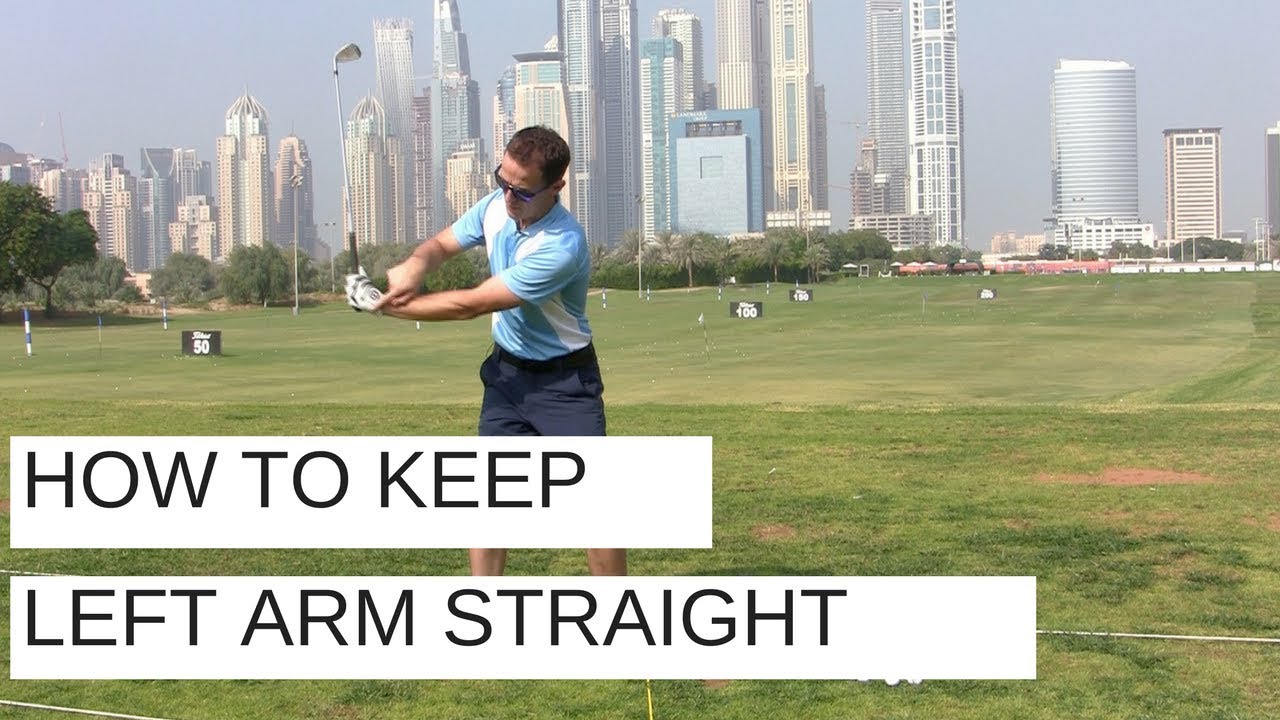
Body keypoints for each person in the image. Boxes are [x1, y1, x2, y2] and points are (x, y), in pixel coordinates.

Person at [345, 125, 624, 578]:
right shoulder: (497, 205)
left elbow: (471, 305)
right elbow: (440, 245)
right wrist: (416, 265)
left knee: (594, 514)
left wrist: (381, 305)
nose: (509, 196)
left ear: (556, 187)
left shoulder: (561, 246)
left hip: (565, 386)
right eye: (503, 180)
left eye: (522, 190)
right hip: (506, 379)